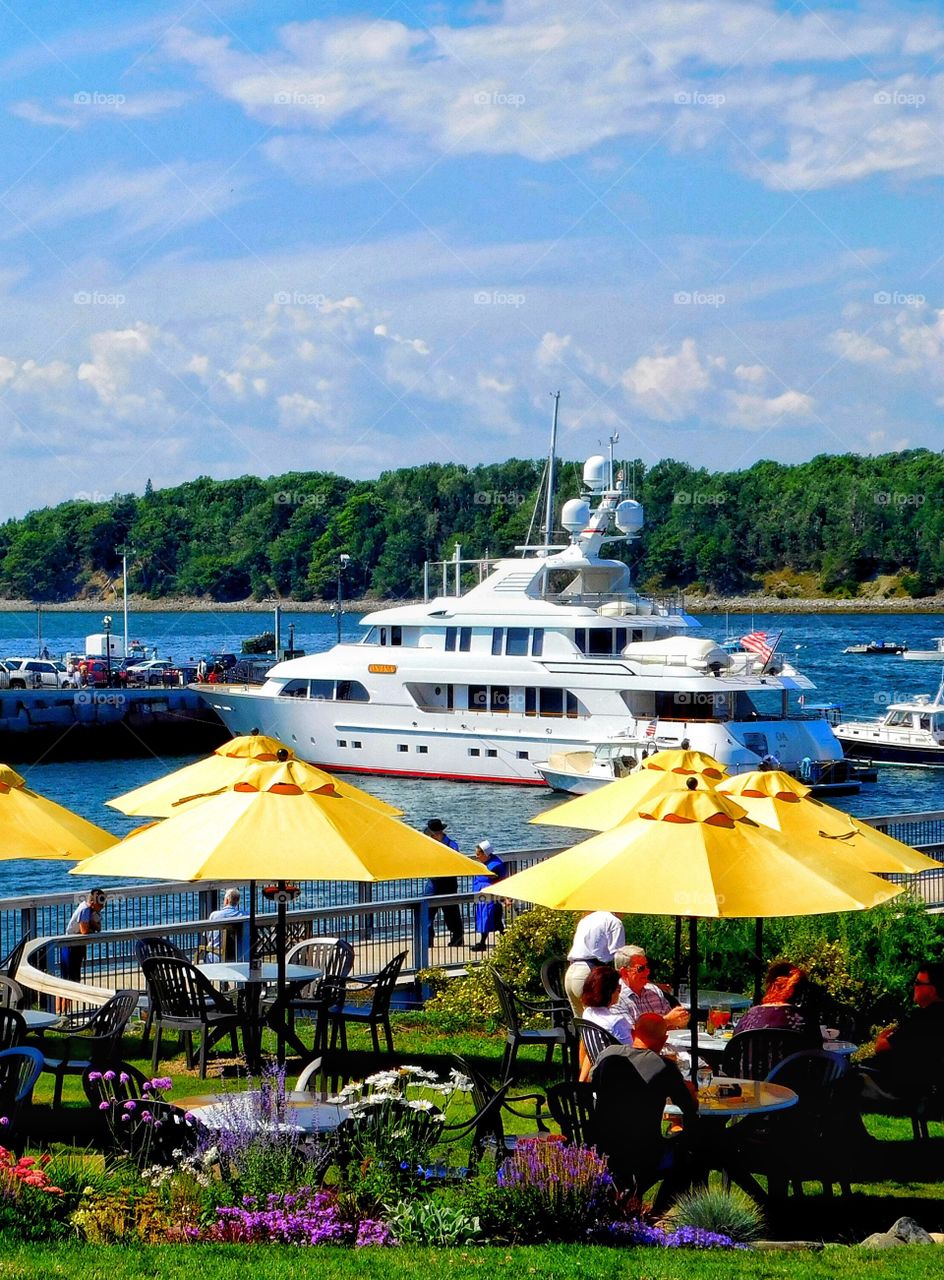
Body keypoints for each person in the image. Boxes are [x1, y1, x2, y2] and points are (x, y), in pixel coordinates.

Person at [591, 1013, 703, 1209]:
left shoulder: (608, 1055)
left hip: (603, 1145)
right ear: (665, 1039)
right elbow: (689, 1108)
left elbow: (592, 1087)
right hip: (645, 1151)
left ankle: (630, 1199)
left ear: (633, 1032)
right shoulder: (664, 1066)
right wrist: (691, 1091)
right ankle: (659, 1211)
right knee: (692, 1154)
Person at [859, 962, 944, 1105]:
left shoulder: (922, 1019)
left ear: (932, 990)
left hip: (898, 1092)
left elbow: (881, 1047)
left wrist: (881, 1036)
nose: (914, 987)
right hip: (927, 1093)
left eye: (917, 983)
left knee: (843, 1082)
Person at [614, 945, 690, 1033]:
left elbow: (674, 1023)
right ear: (624, 972)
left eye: (647, 966)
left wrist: (680, 1019)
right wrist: (666, 1021)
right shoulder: (616, 997)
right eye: (641, 968)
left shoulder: (654, 990)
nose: (647, 971)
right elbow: (631, 1034)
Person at [564, 910, 625, 1017]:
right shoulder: (614, 922)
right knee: (598, 1021)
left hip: (572, 972)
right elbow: (619, 956)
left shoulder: (586, 919)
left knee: (583, 1025)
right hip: (589, 973)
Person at [578, 964, 633, 1080]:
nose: (620, 991)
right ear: (609, 992)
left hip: (601, 1078)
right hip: (623, 1081)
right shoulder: (616, 1022)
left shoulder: (587, 1014)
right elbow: (634, 1054)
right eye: (618, 988)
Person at [58, 888, 106, 1012]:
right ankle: (62, 1013)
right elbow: (84, 931)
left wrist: (93, 920)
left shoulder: (90, 911)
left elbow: (98, 928)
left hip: (77, 947)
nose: (103, 905)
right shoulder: (85, 909)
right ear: (93, 902)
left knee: (71, 980)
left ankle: (64, 1012)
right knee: (68, 982)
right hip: (70, 947)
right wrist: (92, 924)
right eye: (101, 902)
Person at [733, 962, 814, 1035]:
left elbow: (734, 1046)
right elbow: (816, 1047)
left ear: (769, 986)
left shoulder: (749, 1017)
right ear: (800, 992)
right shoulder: (804, 1021)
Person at [423, 819, 464, 947]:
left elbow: (454, 861)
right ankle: (427, 938)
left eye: (431, 834)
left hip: (448, 882)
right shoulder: (428, 845)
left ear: (437, 834)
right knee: (427, 910)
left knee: (451, 910)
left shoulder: (452, 845)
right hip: (432, 881)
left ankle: (457, 937)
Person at [470, 838, 505, 951]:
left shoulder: (495, 865)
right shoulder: (487, 862)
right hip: (482, 894)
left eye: (478, 854)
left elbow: (495, 876)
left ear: (485, 854)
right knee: (492, 918)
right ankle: (505, 939)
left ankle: (482, 942)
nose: (476, 857)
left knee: (487, 917)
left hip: (489, 894)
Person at [205, 887, 247, 963]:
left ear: (227, 900)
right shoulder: (244, 915)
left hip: (217, 957)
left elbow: (209, 937)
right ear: (237, 901)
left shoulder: (215, 915)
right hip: (239, 957)